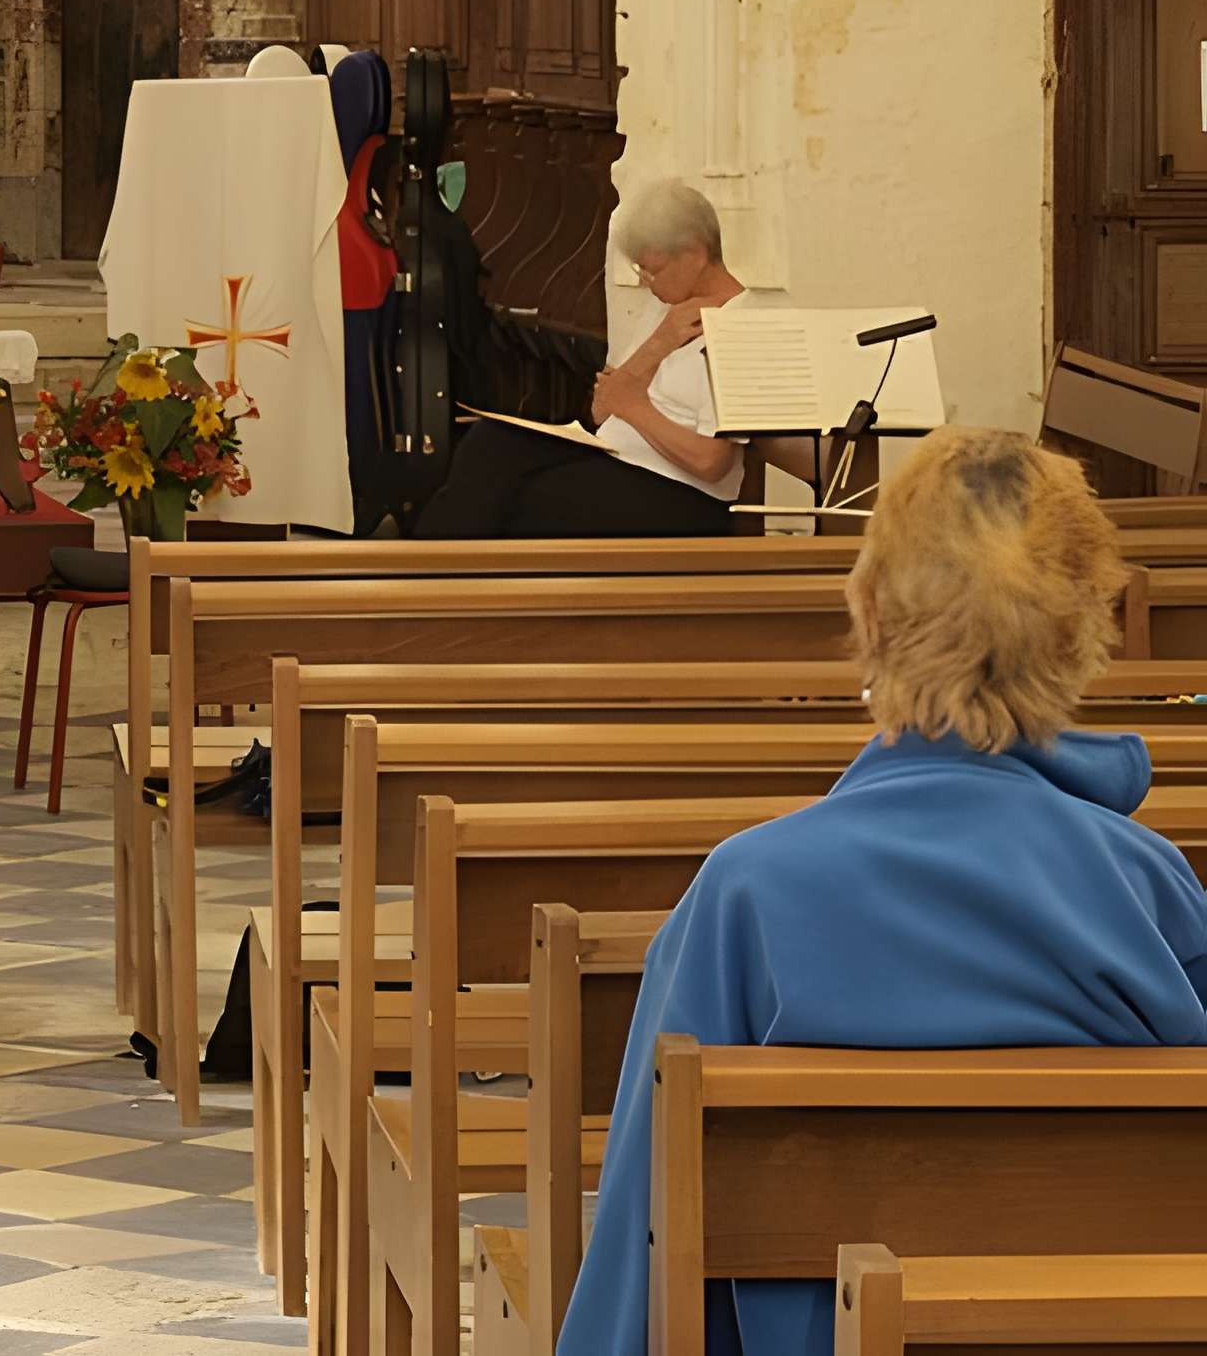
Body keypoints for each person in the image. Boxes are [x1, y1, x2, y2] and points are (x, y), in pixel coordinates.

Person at [564, 429, 1207, 1356]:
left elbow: (646, 1244)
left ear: (868, 616)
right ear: (1084, 633)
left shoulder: (745, 893)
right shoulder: (1152, 892)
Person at [414, 178, 747, 539]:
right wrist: (660, 342)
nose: (649, 282)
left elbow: (711, 462)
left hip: (681, 494)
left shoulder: (739, 326)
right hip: (620, 455)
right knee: (488, 442)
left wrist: (634, 407)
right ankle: (425, 565)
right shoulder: (670, 307)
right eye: (641, 271)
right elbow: (602, 408)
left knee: (529, 502)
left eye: (654, 269)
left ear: (695, 253)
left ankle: (430, 576)